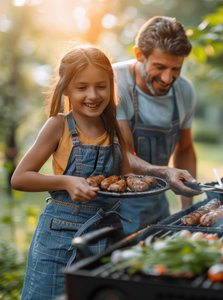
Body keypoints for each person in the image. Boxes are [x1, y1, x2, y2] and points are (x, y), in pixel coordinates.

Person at [11, 45, 132, 299]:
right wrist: (66, 182)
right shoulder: (58, 126)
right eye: (82, 87)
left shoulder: (117, 129)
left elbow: (125, 181)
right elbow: (20, 178)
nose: (93, 95)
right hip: (57, 241)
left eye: (101, 86)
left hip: (104, 237)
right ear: (66, 88)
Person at [113, 16, 197, 235]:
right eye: (159, 67)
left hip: (158, 205)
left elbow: (185, 149)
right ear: (139, 55)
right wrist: (165, 172)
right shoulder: (114, 82)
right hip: (116, 209)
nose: (168, 78)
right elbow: (124, 154)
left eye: (176, 69)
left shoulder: (185, 92)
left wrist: (186, 212)